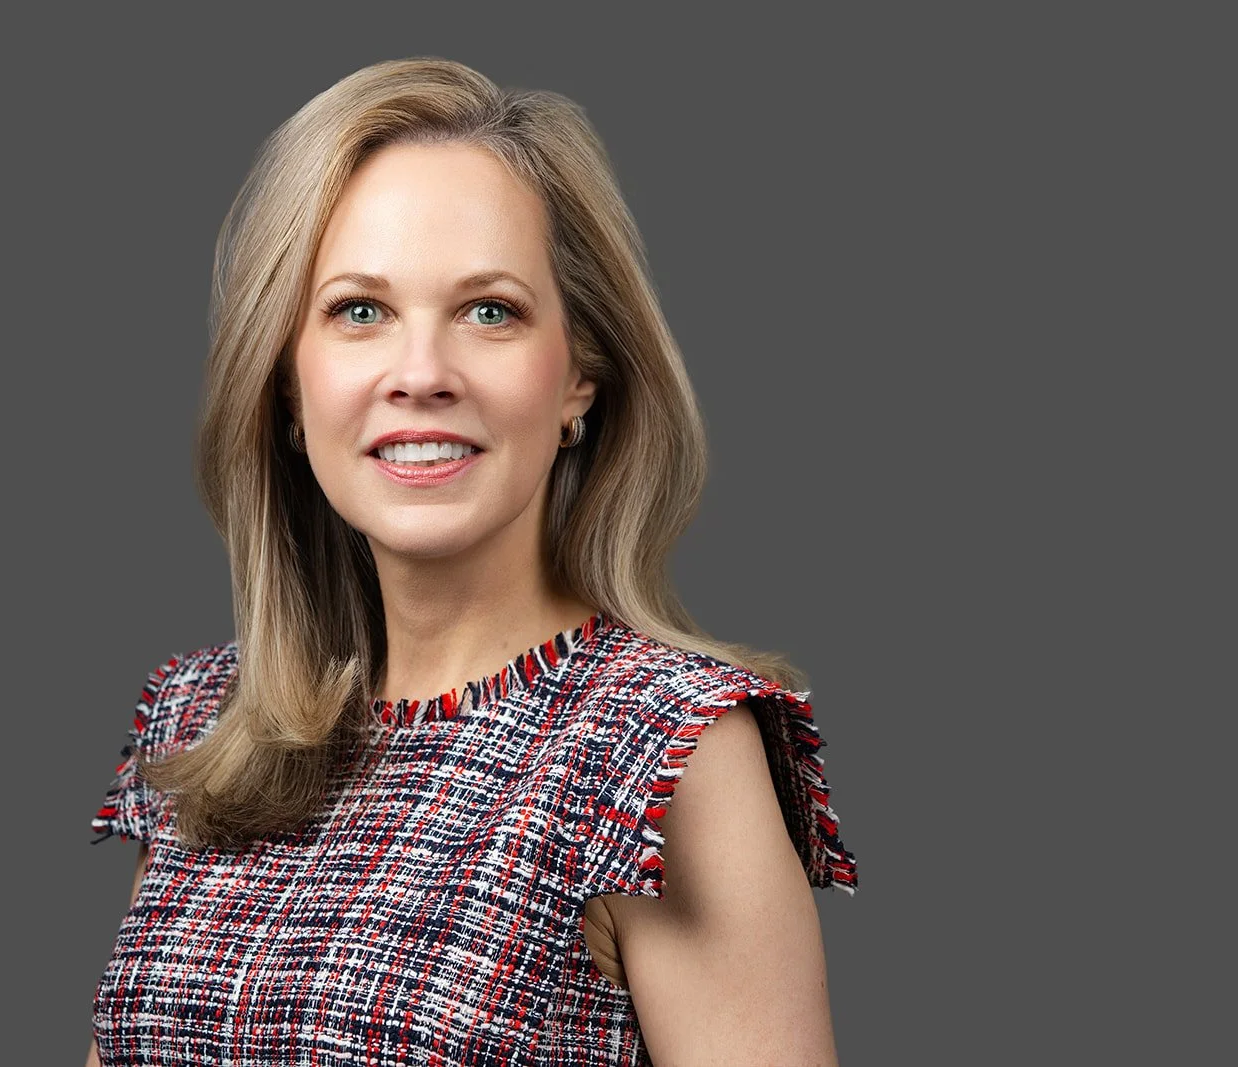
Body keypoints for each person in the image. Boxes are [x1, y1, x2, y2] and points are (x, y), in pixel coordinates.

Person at [86, 56, 858, 1067]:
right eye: (359, 309)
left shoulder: (658, 750)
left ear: (580, 374)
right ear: (285, 379)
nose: (421, 375)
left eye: (488, 309)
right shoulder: (203, 720)